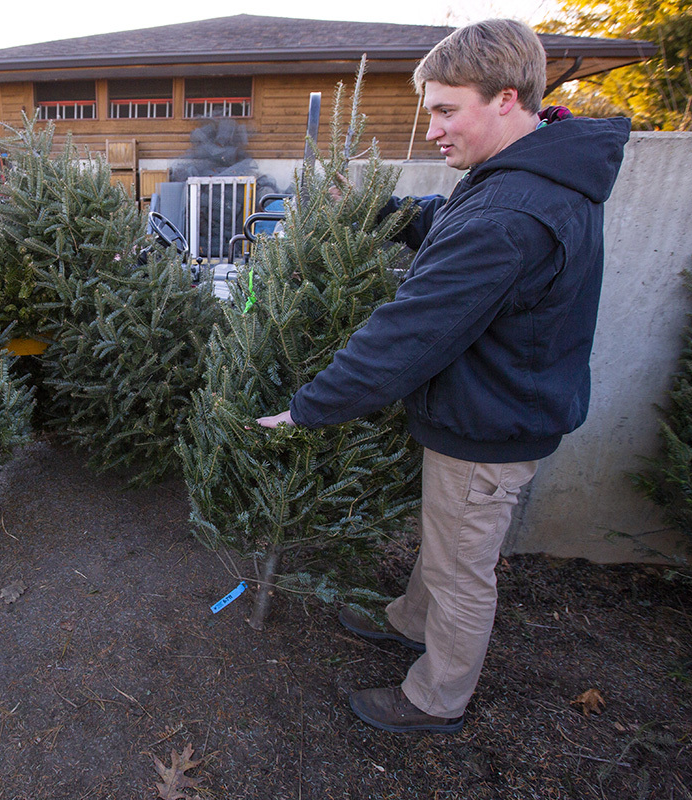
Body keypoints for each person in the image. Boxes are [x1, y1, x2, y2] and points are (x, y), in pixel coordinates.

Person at [257, 19, 630, 733]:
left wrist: (307, 408)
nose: (432, 129)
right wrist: (377, 211)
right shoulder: (523, 177)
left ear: (507, 99)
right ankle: (408, 620)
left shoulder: (514, 211)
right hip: (488, 406)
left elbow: (409, 332)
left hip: (487, 425)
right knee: (446, 537)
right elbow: (447, 220)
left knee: (462, 570)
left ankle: (435, 698)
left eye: (444, 109)